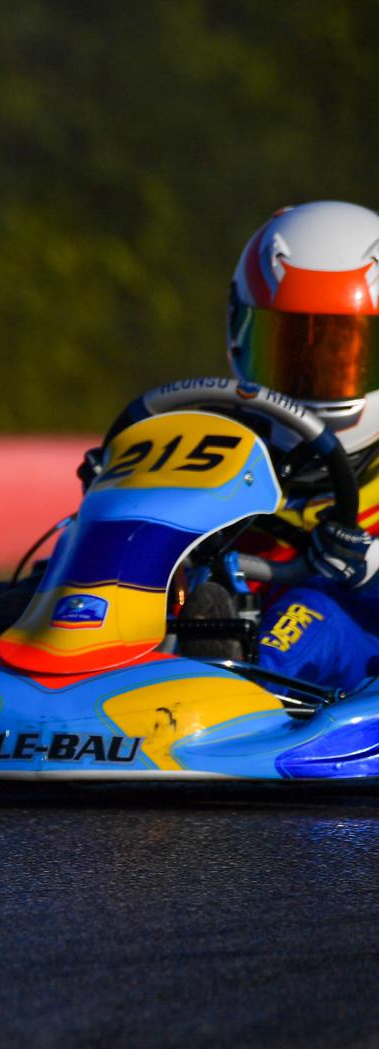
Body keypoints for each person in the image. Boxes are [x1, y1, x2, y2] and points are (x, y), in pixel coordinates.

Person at [226, 201, 379, 687]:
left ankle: (241, 698)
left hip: (355, 660)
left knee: (310, 614)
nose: (315, 374)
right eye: (292, 349)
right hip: (222, 632)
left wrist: (371, 566)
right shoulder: (220, 445)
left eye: (342, 351)